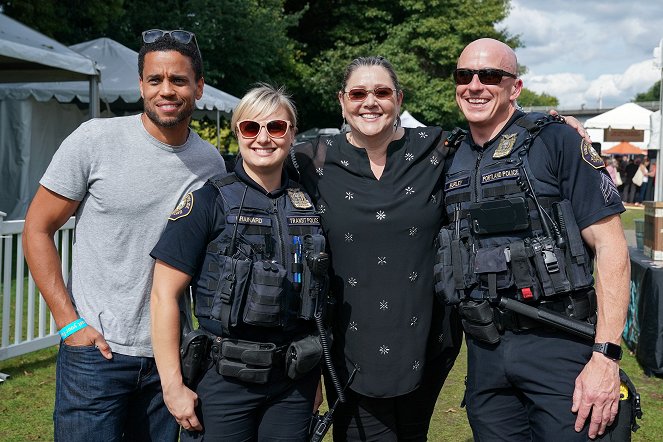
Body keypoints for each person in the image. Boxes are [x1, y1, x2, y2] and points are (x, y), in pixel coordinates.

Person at [289, 56, 589, 441]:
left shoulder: (437, 147)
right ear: (342, 100)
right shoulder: (309, 159)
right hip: (349, 342)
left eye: (381, 92)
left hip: (425, 341)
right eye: (358, 93)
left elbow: (494, 130)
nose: (370, 102)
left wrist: (553, 127)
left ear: (399, 98)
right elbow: (260, 162)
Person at [22, 29, 226, 441]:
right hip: (95, 355)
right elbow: (37, 228)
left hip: (168, 361)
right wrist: (68, 324)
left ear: (199, 87)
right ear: (141, 86)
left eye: (179, 80)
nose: (166, 91)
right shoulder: (95, 140)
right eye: (155, 80)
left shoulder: (210, 164)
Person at [439, 38, 629, 441]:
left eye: (490, 75)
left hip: (560, 342)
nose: (474, 85)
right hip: (485, 352)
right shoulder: (447, 155)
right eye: (464, 75)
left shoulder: (555, 140)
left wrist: (606, 356)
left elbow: (611, 246)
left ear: (516, 87)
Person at [150, 84, 326, 441]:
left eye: (276, 127)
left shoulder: (310, 205)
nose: (263, 138)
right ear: (238, 133)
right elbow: (163, 296)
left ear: (291, 134)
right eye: (251, 127)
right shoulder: (207, 202)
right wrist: (172, 386)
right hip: (223, 381)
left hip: (293, 383)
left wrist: (316, 379)